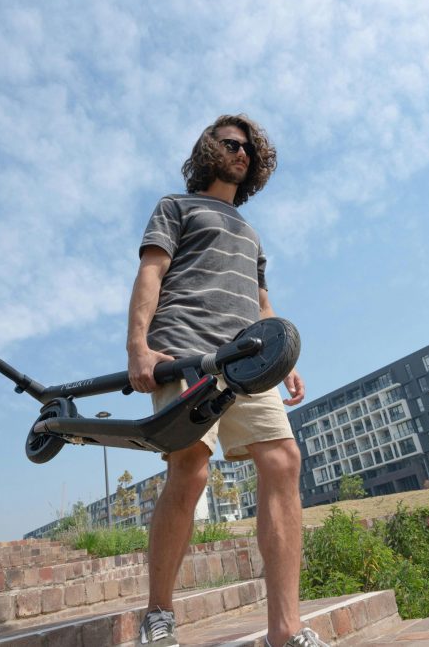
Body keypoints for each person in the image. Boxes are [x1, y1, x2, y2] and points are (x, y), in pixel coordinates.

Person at [127, 115, 327, 647]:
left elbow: (261, 303)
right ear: (208, 149)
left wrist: (284, 359)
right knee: (191, 467)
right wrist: (138, 348)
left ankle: (284, 630)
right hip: (185, 350)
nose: (241, 153)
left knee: (283, 460)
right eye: (231, 144)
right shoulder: (176, 206)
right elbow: (151, 272)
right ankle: (158, 613)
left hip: (247, 361)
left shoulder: (250, 233)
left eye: (249, 150)